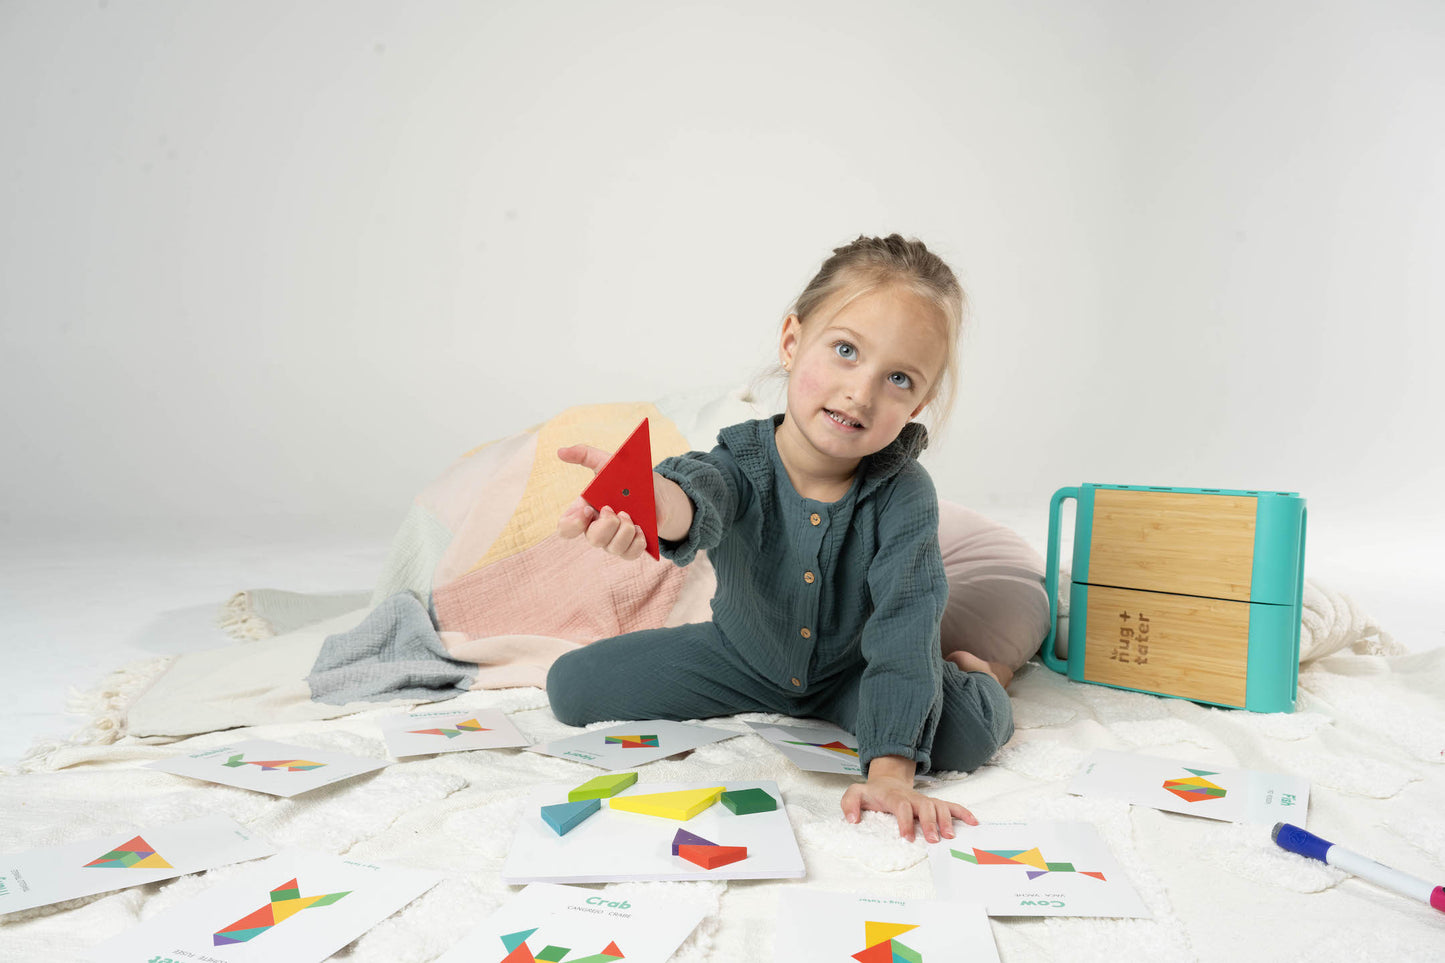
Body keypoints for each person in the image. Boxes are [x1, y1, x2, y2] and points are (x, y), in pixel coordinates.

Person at [546, 234, 1014, 844]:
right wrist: (654, 503)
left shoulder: (905, 494)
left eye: (898, 378)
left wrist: (892, 776)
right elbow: (699, 495)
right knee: (571, 687)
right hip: (740, 659)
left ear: (919, 401)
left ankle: (983, 675)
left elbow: (903, 627)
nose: (861, 392)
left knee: (965, 734)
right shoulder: (740, 458)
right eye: (845, 350)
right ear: (793, 342)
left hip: (857, 673)